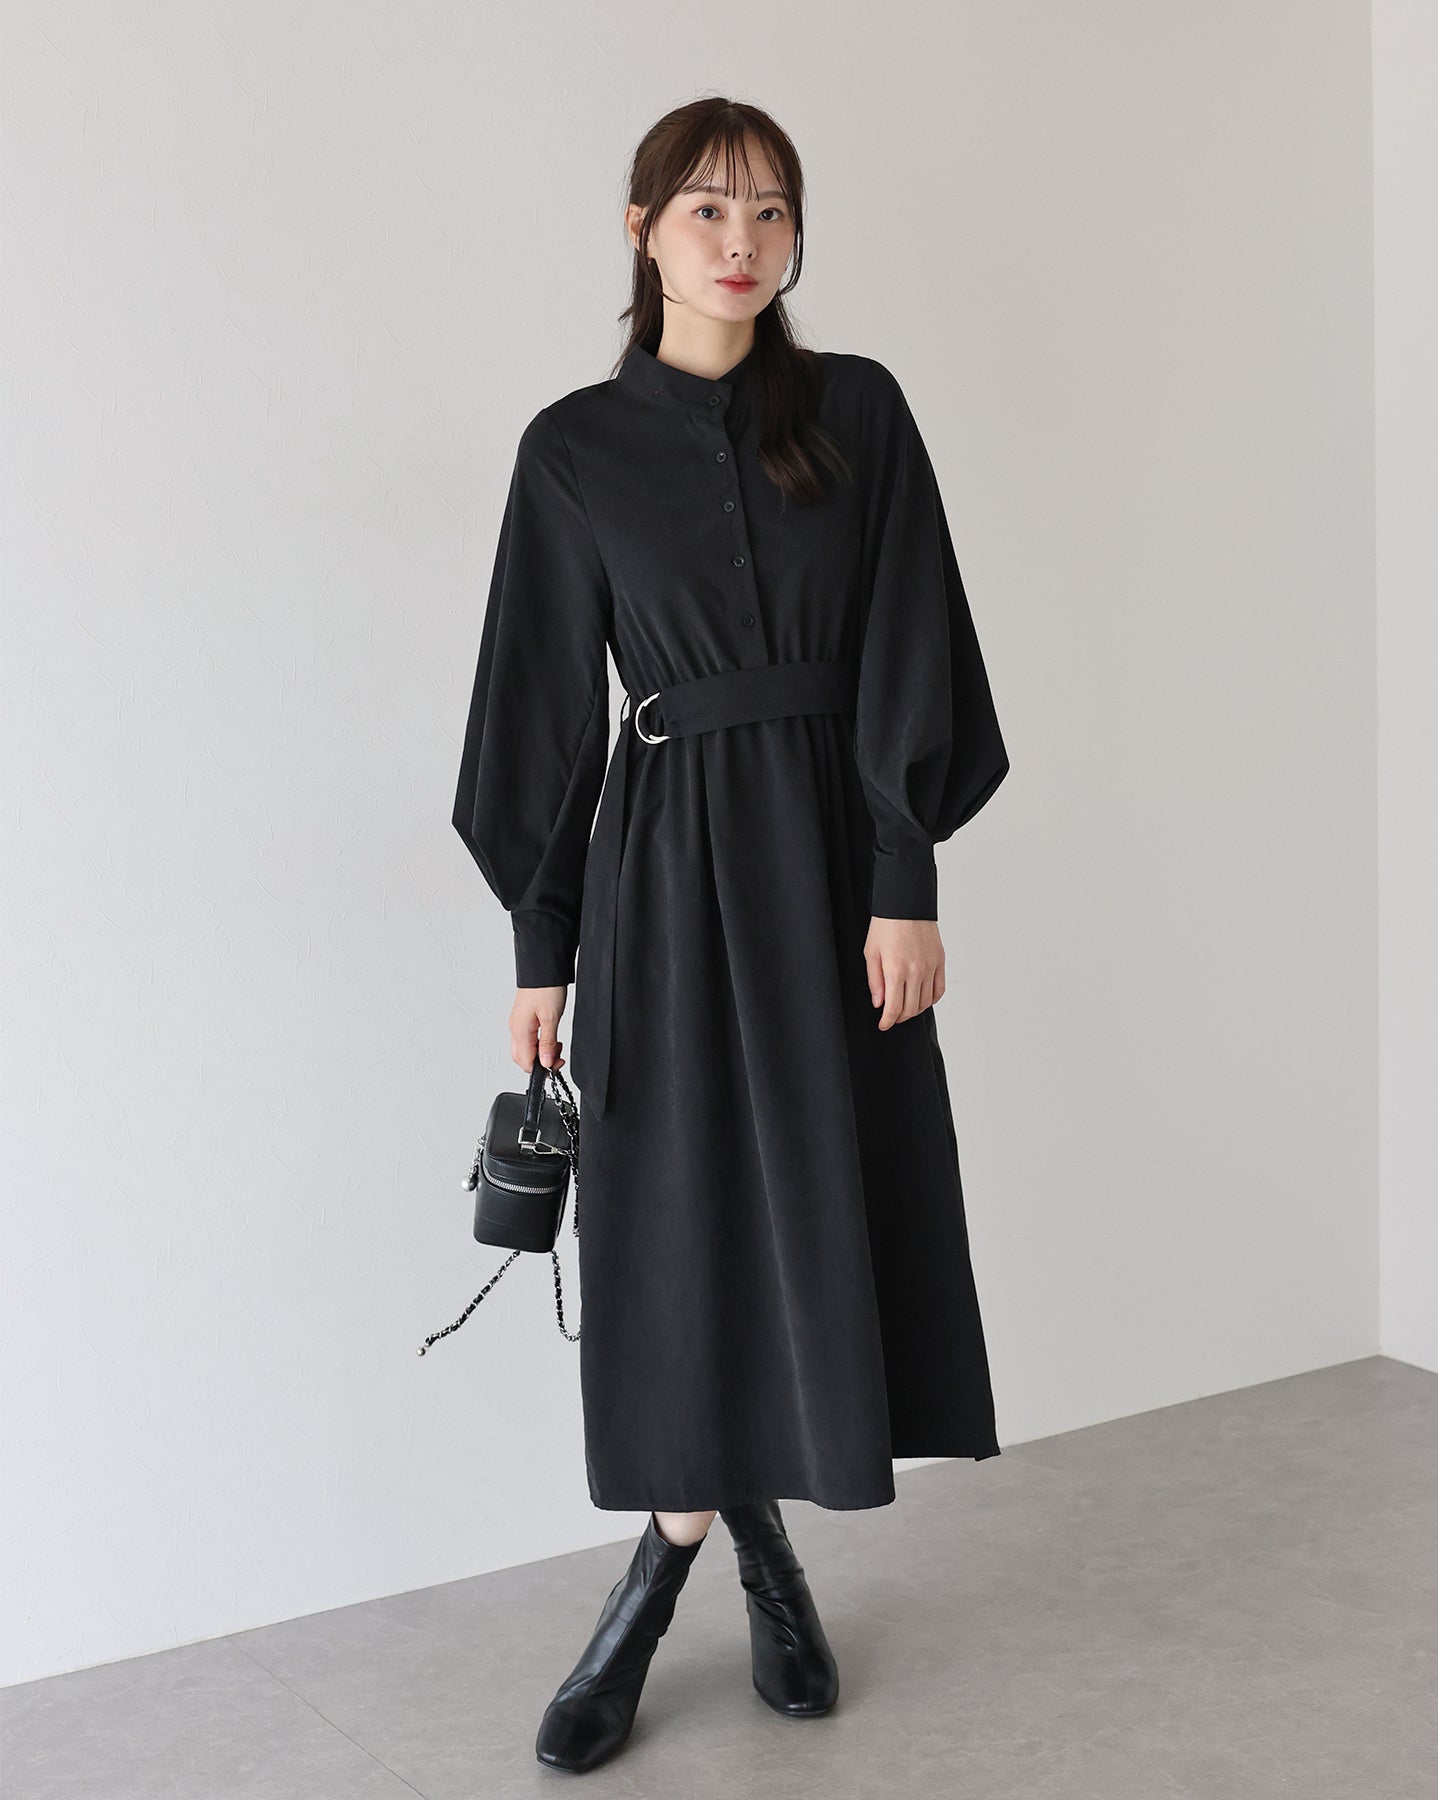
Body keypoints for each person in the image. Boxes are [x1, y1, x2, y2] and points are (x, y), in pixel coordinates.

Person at [452, 96, 1012, 1775]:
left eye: (771, 209)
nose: (743, 240)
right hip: (668, 877)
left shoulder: (860, 412)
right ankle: (709, 1557)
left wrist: (906, 876)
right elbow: (543, 710)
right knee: (679, 1224)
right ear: (642, 230)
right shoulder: (572, 449)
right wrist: (542, 947)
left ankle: (679, 1573)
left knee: (823, 1206)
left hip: (836, 867)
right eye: (708, 208)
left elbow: (916, 636)